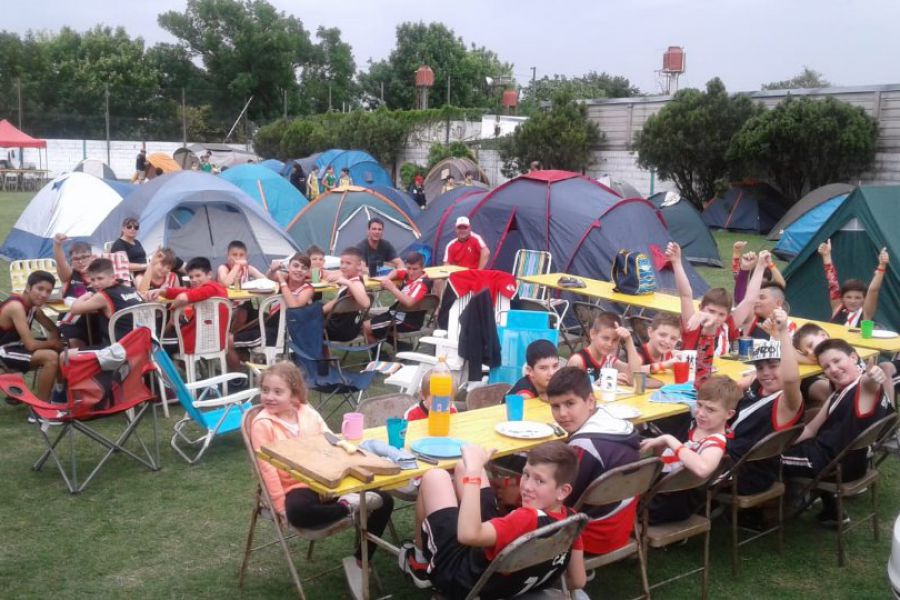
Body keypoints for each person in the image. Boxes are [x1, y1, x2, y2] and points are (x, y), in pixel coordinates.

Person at [249, 362, 394, 599]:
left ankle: (359, 561)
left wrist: (337, 477)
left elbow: (331, 443)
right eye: (265, 390)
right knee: (298, 512)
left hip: (327, 479)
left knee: (385, 500)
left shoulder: (307, 413)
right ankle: (348, 507)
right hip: (295, 486)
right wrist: (279, 506)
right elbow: (267, 470)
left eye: (277, 391)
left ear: (294, 393)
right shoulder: (262, 424)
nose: (269, 397)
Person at [399, 441, 587, 597]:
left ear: (563, 490)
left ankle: (421, 561)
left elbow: (468, 535)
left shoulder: (527, 518)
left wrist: (474, 473)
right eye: (526, 474)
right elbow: (578, 580)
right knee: (463, 467)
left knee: (435, 477)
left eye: (539, 481)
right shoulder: (573, 521)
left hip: (463, 581)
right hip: (498, 576)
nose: (527, 486)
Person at [782, 339, 894, 526]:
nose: (832, 369)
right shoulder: (840, 391)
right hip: (853, 461)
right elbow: (810, 429)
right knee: (788, 445)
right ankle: (832, 510)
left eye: (837, 361)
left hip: (832, 464)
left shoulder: (864, 387)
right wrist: (783, 444)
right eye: (826, 366)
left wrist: (874, 374)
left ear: (853, 357)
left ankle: (764, 513)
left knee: (765, 459)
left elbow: (870, 382)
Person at [547, 367, 642, 556]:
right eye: (555, 406)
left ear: (590, 401)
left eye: (570, 403)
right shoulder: (619, 426)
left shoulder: (584, 446)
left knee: (525, 498)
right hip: (621, 528)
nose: (562, 414)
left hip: (590, 534)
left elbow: (563, 499)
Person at [640, 375, 742, 524]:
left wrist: (670, 440)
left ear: (729, 414)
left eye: (710, 410)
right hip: (659, 495)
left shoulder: (716, 442)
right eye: (699, 405)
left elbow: (702, 468)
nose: (701, 413)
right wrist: (661, 450)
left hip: (665, 506)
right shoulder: (693, 427)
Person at [727, 309, 803, 498]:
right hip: (731, 459)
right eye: (760, 368)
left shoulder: (787, 402)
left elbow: (791, 379)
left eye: (773, 366)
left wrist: (783, 331)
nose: (766, 373)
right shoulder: (757, 387)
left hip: (746, 473)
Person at [669, 241, 766, 385]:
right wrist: (676, 262)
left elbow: (750, 300)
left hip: (723, 379)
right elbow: (685, 295)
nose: (715, 317)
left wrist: (760, 267)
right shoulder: (694, 323)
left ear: (727, 315)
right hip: (692, 380)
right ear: (701, 308)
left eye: (721, 314)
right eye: (711, 311)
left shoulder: (728, 325)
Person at [151, 257, 242, 372]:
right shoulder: (216, 288)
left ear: (209, 274)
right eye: (191, 277)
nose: (194, 280)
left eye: (198, 276)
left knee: (157, 344)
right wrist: (161, 291)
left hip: (195, 341)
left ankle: (169, 383)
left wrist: (173, 307)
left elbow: (183, 297)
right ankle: (192, 374)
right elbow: (184, 292)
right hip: (216, 339)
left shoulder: (209, 288)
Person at [0, 271, 64, 401]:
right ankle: (40, 408)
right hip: (2, 350)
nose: (44, 295)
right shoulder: (16, 306)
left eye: (48, 291)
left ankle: (60, 393)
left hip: (15, 347)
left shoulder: (34, 308)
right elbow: (30, 345)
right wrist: (52, 344)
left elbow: (53, 329)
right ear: (28, 287)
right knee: (50, 357)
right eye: (40, 289)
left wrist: (56, 342)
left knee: (61, 348)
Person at [236, 253, 315, 352]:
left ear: (307, 272)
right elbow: (269, 278)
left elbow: (294, 306)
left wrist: (282, 282)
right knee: (246, 307)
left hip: (283, 335)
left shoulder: (307, 289)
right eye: (295, 266)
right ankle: (249, 363)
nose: (299, 270)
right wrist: (273, 270)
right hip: (269, 326)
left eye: (304, 268)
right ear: (289, 267)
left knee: (231, 341)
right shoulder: (286, 277)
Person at [69, 258, 144, 346]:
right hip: (142, 343)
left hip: (120, 349)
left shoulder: (103, 295)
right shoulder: (130, 290)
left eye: (100, 278)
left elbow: (74, 309)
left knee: (65, 355)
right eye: (92, 280)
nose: (96, 283)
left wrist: (88, 294)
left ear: (113, 277)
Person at [363, 251, 433, 344]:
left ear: (422, 268)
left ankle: (382, 356)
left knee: (365, 327)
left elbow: (408, 302)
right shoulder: (408, 274)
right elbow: (397, 271)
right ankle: (401, 347)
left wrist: (392, 288)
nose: (411, 272)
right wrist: (387, 279)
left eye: (415, 269)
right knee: (368, 322)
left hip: (407, 321)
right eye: (409, 268)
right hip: (396, 315)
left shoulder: (421, 284)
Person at [818, 240, 889, 327]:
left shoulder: (866, 313)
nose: (853, 301)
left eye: (858, 298)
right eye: (848, 297)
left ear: (864, 299)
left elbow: (873, 290)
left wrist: (882, 265)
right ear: (842, 298)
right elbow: (832, 281)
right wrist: (826, 256)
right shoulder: (838, 306)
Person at [566, 313, 641, 386]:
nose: (609, 344)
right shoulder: (578, 360)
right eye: (605, 338)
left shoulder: (609, 360)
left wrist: (629, 341)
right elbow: (568, 392)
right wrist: (601, 382)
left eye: (615, 340)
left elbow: (635, 379)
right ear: (593, 334)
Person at [52, 234, 95, 343]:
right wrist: (57, 245)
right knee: (77, 348)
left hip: (96, 320)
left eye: (84, 257)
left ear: (92, 257)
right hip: (72, 322)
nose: (80, 262)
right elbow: (61, 263)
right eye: (76, 259)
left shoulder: (99, 274)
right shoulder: (69, 275)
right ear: (71, 261)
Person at [323, 247, 371, 342]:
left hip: (337, 330)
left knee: (308, 319)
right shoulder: (353, 280)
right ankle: (324, 356)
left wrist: (348, 283)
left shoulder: (355, 284)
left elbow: (366, 304)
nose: (343, 266)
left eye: (348, 263)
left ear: (358, 266)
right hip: (351, 330)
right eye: (342, 262)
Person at [217, 240, 266, 331]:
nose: (238, 258)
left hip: (242, 305)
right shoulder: (223, 268)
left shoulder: (248, 268)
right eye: (234, 255)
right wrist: (236, 267)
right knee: (243, 312)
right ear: (228, 256)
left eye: (241, 255)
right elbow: (225, 283)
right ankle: (231, 337)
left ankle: (235, 337)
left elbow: (264, 279)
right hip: (225, 306)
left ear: (246, 256)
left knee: (259, 308)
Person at [637, 313, 681, 377]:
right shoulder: (639, 354)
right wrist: (663, 365)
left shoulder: (670, 355)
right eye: (662, 335)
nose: (667, 341)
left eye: (673, 338)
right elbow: (633, 370)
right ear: (650, 332)